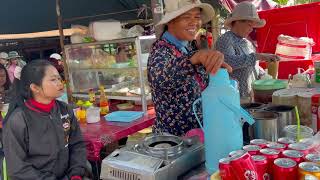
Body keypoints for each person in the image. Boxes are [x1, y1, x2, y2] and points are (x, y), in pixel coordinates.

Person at [148, 0, 232, 136]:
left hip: (198, 136)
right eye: (186, 17)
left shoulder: (188, 47)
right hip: (174, 142)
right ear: (171, 22)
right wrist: (194, 59)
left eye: (197, 17)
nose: (194, 22)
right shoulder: (161, 49)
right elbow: (161, 79)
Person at [2, 60, 87, 180]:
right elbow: (18, 168)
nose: (60, 83)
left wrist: (76, 173)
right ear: (35, 87)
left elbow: (77, 145)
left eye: (59, 78)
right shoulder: (18, 120)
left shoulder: (64, 110)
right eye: (53, 80)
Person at [216, 2, 280, 101]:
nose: (251, 29)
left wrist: (265, 75)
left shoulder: (248, 43)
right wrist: (258, 56)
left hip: (249, 97)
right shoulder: (226, 39)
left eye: (253, 27)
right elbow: (228, 63)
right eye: (249, 25)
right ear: (237, 22)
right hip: (232, 98)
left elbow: (252, 66)